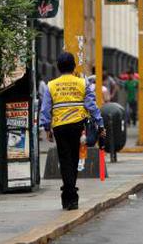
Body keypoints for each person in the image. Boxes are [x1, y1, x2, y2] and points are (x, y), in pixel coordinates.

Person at [40, 52, 105, 210]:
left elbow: (45, 109)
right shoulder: (82, 83)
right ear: (74, 66)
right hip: (77, 126)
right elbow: (91, 106)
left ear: (58, 67)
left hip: (60, 127)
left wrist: (47, 128)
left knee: (64, 160)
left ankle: (68, 194)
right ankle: (72, 196)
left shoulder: (51, 85)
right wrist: (100, 124)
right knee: (74, 159)